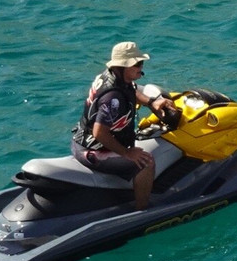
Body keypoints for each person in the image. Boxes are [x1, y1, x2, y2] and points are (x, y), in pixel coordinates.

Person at [71, 42, 175, 209]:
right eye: (138, 64)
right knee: (146, 163)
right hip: (92, 150)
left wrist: (151, 102)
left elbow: (131, 91)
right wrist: (127, 153)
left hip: (83, 140)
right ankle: (142, 211)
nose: (141, 67)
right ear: (124, 66)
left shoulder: (114, 77)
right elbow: (99, 133)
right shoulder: (113, 98)